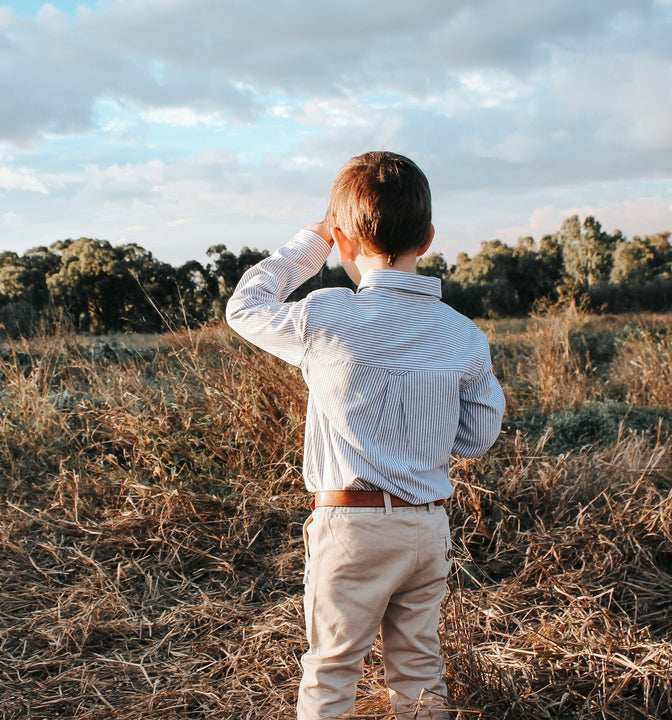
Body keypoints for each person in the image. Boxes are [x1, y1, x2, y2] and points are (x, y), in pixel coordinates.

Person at [225, 151, 505, 719]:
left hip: (350, 527)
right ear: (426, 239)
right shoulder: (464, 335)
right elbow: (475, 438)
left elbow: (245, 307)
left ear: (343, 240)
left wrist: (310, 244)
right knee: (421, 671)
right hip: (427, 526)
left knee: (332, 671)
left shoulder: (324, 317)